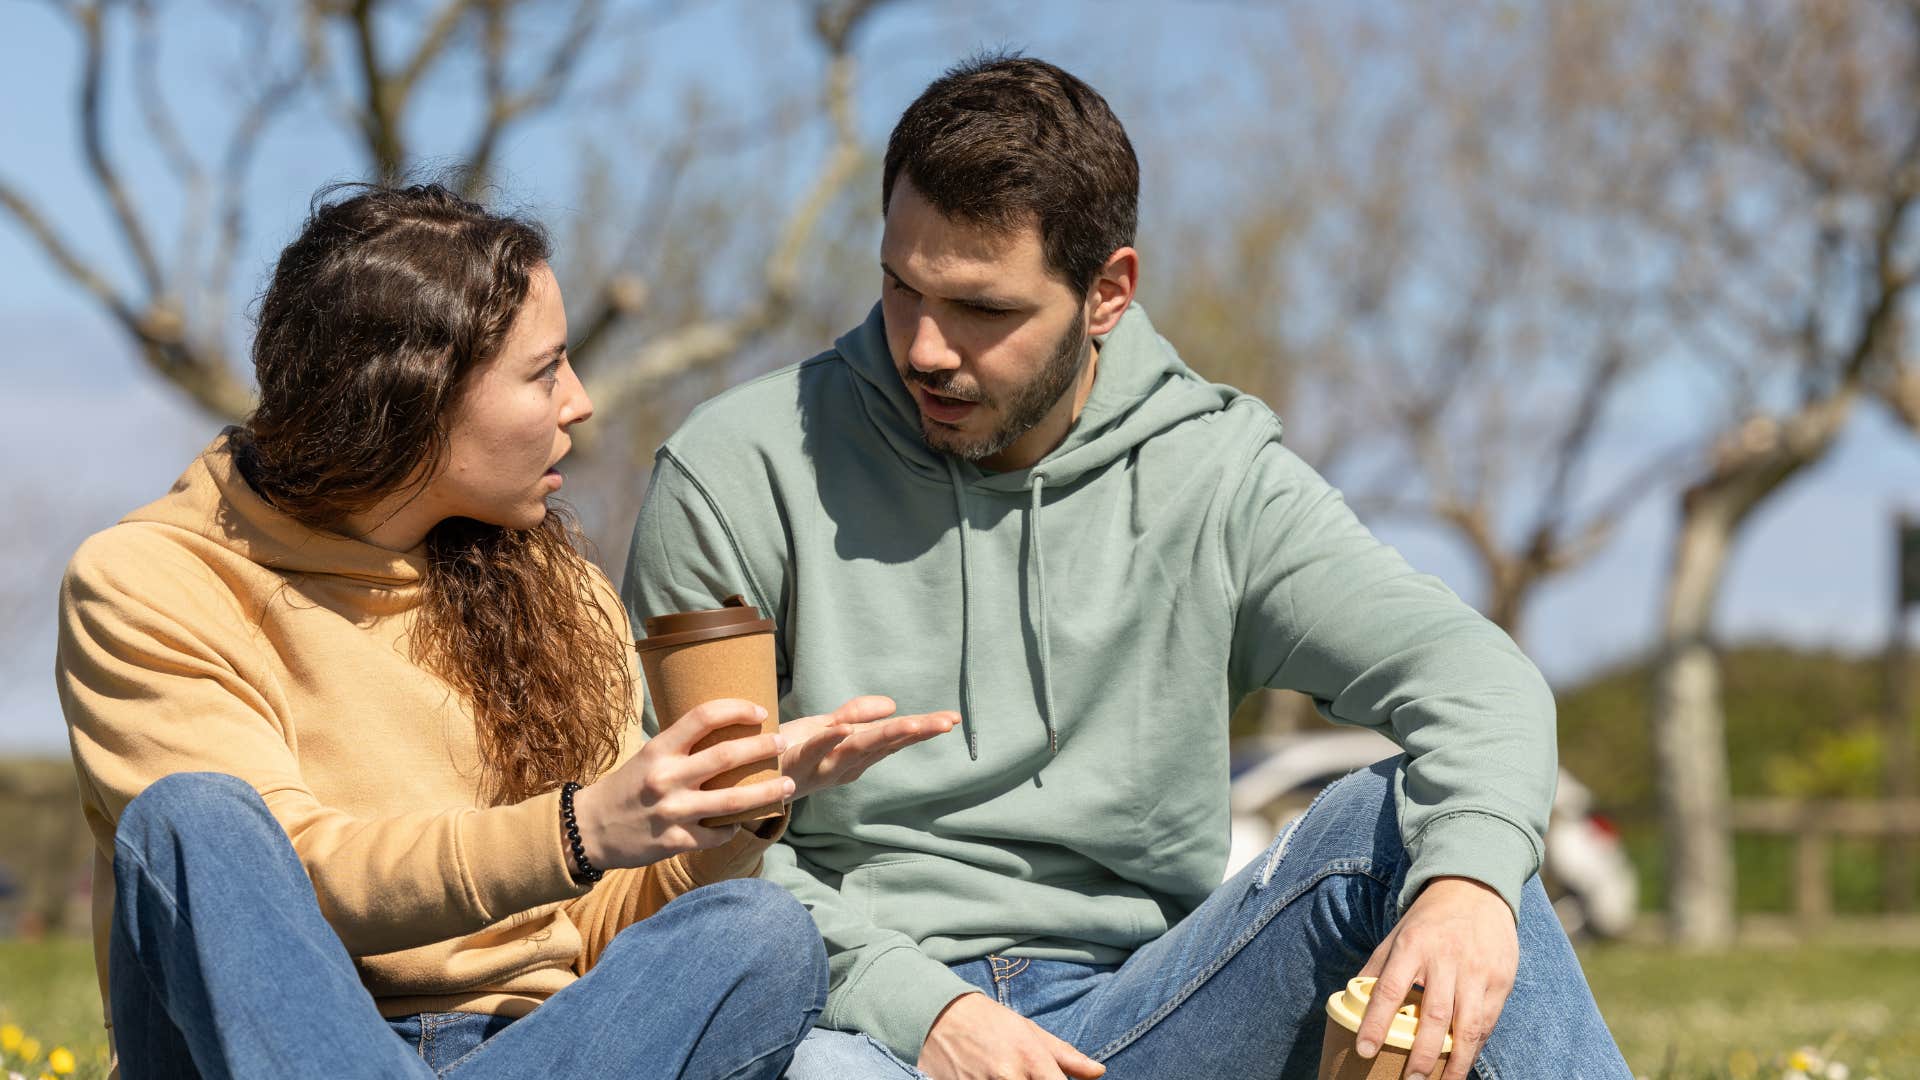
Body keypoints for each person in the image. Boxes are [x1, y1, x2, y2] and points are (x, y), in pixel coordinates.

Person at [624, 56, 1632, 1080]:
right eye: (899, 285)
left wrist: (1466, 886)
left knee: (1411, 836)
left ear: (1107, 293)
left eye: (982, 309)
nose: (924, 347)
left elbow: (1474, 677)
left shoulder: (1215, 475)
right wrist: (927, 1010)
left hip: (1151, 1007)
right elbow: (696, 851)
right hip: (857, 1019)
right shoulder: (735, 472)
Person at [56, 183, 953, 1078]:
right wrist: (576, 829)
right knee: (194, 821)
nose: (581, 401)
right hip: (263, 1045)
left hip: (541, 1051)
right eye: (544, 371)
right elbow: (275, 890)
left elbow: (601, 931)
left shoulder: (555, 589)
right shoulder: (149, 580)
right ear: (414, 396)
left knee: (761, 935)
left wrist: (728, 814)